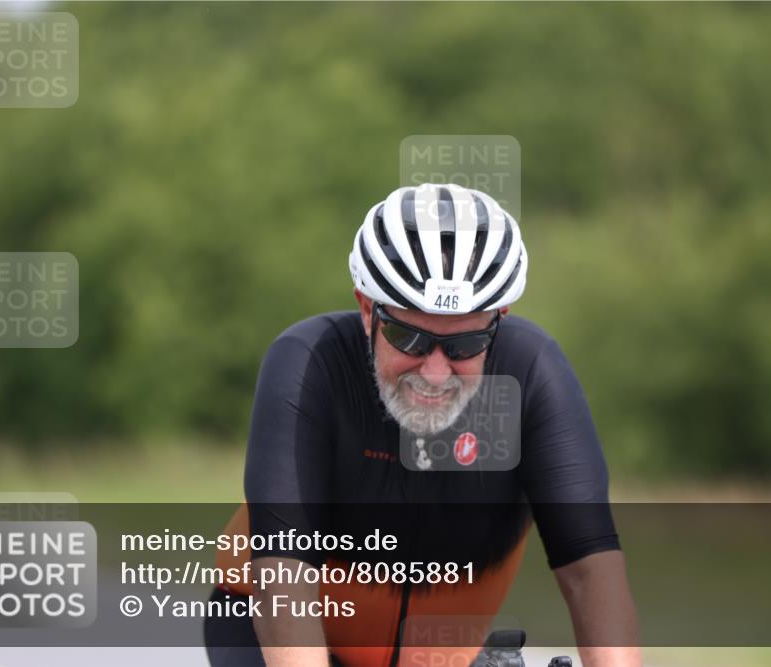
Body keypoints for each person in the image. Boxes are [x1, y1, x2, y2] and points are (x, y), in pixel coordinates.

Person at [205, 183, 641, 667]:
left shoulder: (532, 373)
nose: (434, 372)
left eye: (463, 345)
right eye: (408, 337)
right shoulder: (309, 362)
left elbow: (590, 569)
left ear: (499, 319)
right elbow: (283, 572)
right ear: (368, 309)